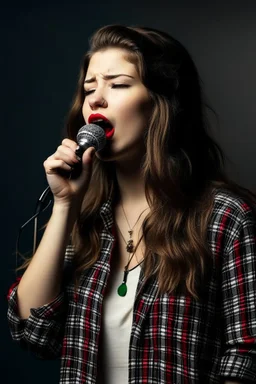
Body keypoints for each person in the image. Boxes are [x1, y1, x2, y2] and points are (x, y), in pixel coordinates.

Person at [7, 24, 256, 384]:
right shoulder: (87, 218)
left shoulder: (226, 217)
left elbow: (247, 354)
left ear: (162, 103)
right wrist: (64, 205)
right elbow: (34, 331)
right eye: (89, 88)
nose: (96, 98)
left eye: (118, 84)